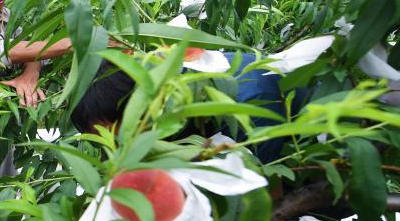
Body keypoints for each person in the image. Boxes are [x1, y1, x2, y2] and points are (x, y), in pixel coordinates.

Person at [70, 53, 291, 163]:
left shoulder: (246, 107)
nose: (119, 152)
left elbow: (270, 192)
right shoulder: (167, 83)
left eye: (122, 138)